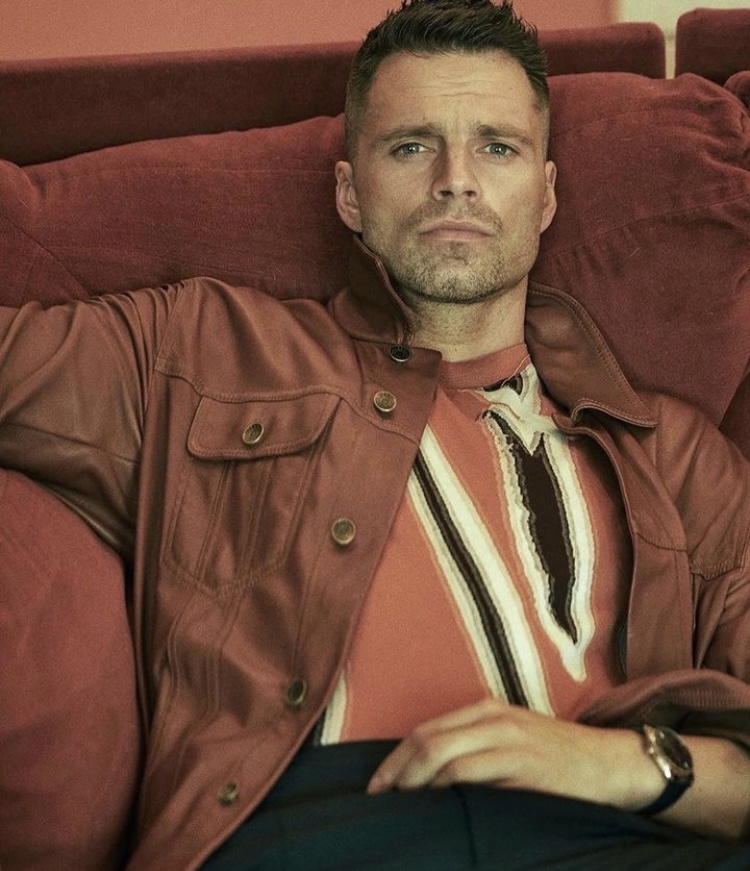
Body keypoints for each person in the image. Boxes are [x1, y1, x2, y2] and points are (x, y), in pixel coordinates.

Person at [1, 0, 750, 868]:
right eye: (411, 147)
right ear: (350, 195)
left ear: (545, 196)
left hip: (617, 831)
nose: (455, 179)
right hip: (330, 831)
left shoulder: (677, 458)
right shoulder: (201, 350)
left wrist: (623, 762)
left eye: (497, 147)